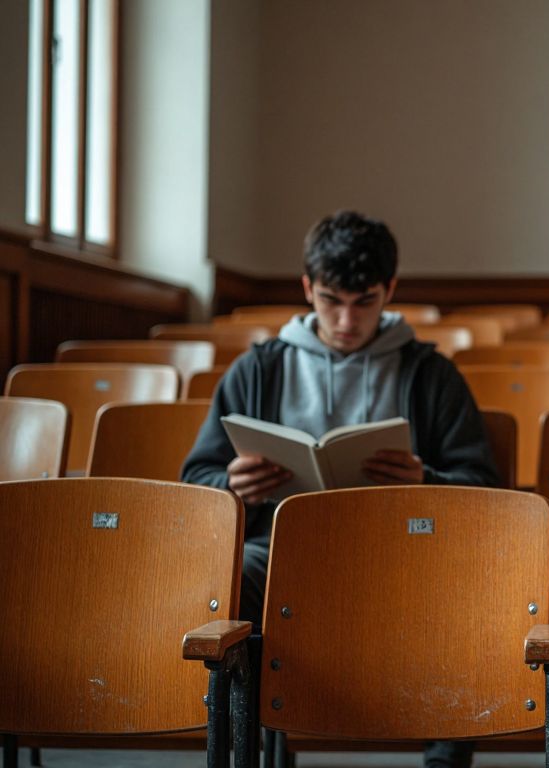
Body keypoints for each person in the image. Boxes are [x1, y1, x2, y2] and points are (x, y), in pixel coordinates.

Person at [180, 210, 497, 768]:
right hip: (282, 553)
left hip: (410, 552)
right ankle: (249, 748)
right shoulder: (259, 370)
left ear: (390, 291)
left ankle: (446, 756)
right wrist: (233, 485)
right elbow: (196, 481)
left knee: (467, 586)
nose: (347, 320)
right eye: (330, 300)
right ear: (307, 288)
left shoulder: (429, 374)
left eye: (364, 302)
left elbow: (485, 488)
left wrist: (426, 480)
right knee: (231, 575)